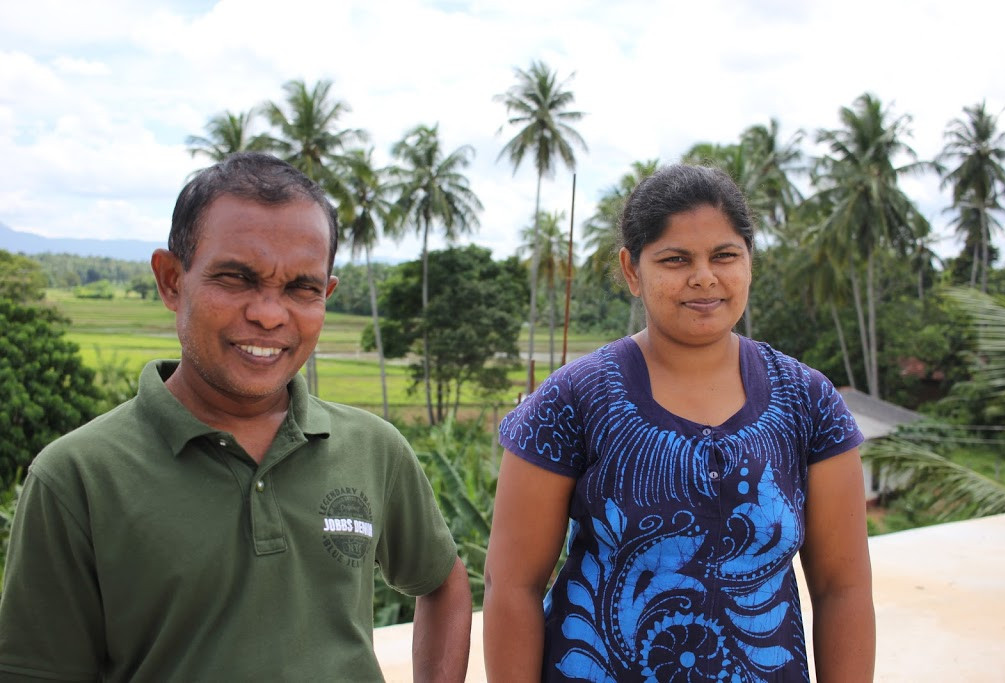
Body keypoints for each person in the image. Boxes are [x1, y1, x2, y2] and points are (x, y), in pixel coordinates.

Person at [0, 152, 471, 681]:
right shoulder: (78, 476)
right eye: (236, 278)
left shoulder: (373, 448)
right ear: (172, 280)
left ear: (326, 295)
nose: (270, 314)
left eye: (301, 288)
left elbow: (443, 581)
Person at [483, 163, 874, 682]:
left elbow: (841, 589)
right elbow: (511, 586)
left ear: (749, 262)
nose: (704, 277)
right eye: (675, 259)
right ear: (631, 270)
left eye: (725, 255)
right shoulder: (572, 399)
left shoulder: (808, 401)